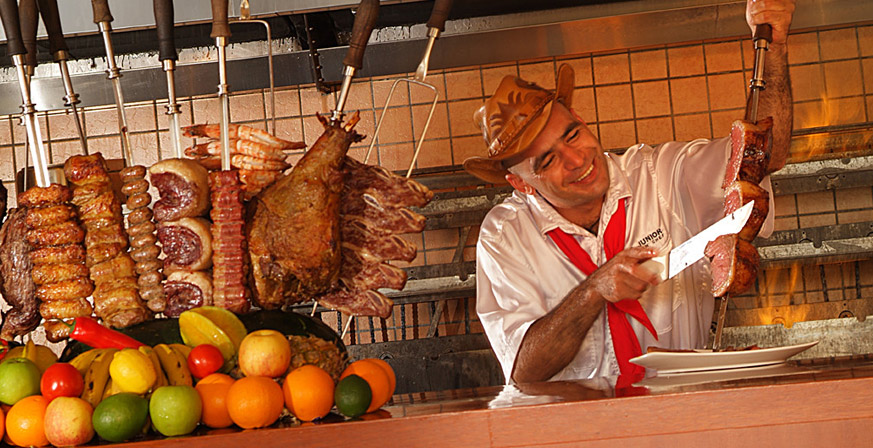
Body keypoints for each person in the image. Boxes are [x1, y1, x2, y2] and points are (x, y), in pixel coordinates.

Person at [464, 0, 796, 385]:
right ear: (521, 184)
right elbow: (524, 369)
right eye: (547, 161)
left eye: (572, 134)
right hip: (578, 436)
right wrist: (593, 291)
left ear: (582, 121)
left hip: (685, 414)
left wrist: (775, 46)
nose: (576, 159)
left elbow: (762, 157)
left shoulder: (662, 173)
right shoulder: (505, 235)